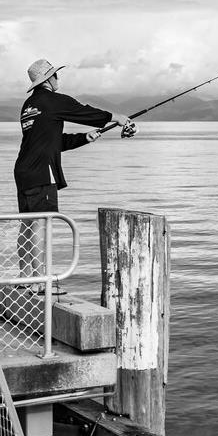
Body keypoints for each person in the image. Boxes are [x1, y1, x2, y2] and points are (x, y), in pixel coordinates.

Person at [14, 58, 136, 291]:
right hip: (42, 171)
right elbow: (83, 111)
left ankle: (25, 276)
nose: (59, 79)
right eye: (56, 75)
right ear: (49, 79)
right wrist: (116, 117)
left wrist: (83, 138)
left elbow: (51, 141)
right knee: (42, 223)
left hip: (24, 170)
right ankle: (40, 282)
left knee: (27, 223)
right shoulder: (53, 101)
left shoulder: (29, 106)